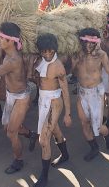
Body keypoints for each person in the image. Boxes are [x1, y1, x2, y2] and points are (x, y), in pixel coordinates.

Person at [0, 22, 36, 174]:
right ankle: (31, 135)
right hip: (11, 95)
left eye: (0, 38)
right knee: (7, 127)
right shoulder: (9, 55)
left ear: (10, 41)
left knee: (11, 132)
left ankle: (18, 160)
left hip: (21, 97)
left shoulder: (12, 60)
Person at [33, 33, 72, 187]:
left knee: (43, 139)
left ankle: (44, 176)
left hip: (54, 102)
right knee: (54, 130)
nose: (48, 54)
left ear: (55, 49)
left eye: (51, 51)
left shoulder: (59, 67)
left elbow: (66, 91)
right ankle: (65, 154)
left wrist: (68, 114)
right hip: (43, 100)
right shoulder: (39, 61)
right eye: (44, 51)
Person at [72, 28, 109, 160]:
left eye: (91, 42)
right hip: (82, 92)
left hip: (96, 93)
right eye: (85, 42)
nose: (88, 45)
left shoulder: (101, 55)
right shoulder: (77, 54)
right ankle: (94, 148)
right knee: (84, 122)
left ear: (96, 42)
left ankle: (107, 136)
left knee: (97, 126)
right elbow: (73, 74)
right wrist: (74, 64)